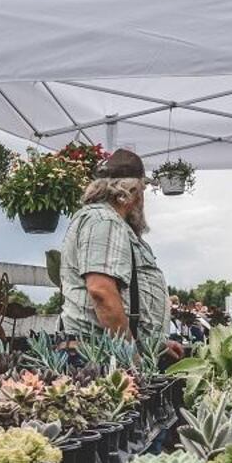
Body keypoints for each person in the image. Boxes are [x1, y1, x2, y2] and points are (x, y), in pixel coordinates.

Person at [57, 149, 175, 355]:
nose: (142, 200)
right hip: (97, 355)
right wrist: (131, 356)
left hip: (103, 349)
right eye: (142, 191)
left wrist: (152, 346)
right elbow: (101, 291)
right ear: (128, 193)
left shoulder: (107, 221)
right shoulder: (105, 221)